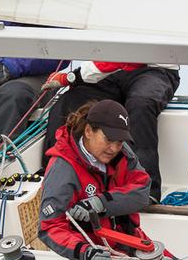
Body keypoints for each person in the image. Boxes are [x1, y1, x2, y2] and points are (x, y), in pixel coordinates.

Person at [39, 100, 172, 260]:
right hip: (96, 256)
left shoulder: (121, 153)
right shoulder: (62, 171)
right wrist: (83, 252)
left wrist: (101, 203)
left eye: (119, 142)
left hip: (130, 241)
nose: (114, 148)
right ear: (88, 131)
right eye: (108, 139)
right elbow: (49, 226)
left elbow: (142, 191)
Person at [42, 60, 180, 202]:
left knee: (140, 105)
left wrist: (71, 77)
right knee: (68, 103)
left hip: (155, 71)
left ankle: (144, 189)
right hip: (109, 73)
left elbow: (121, 55)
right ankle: (51, 178)